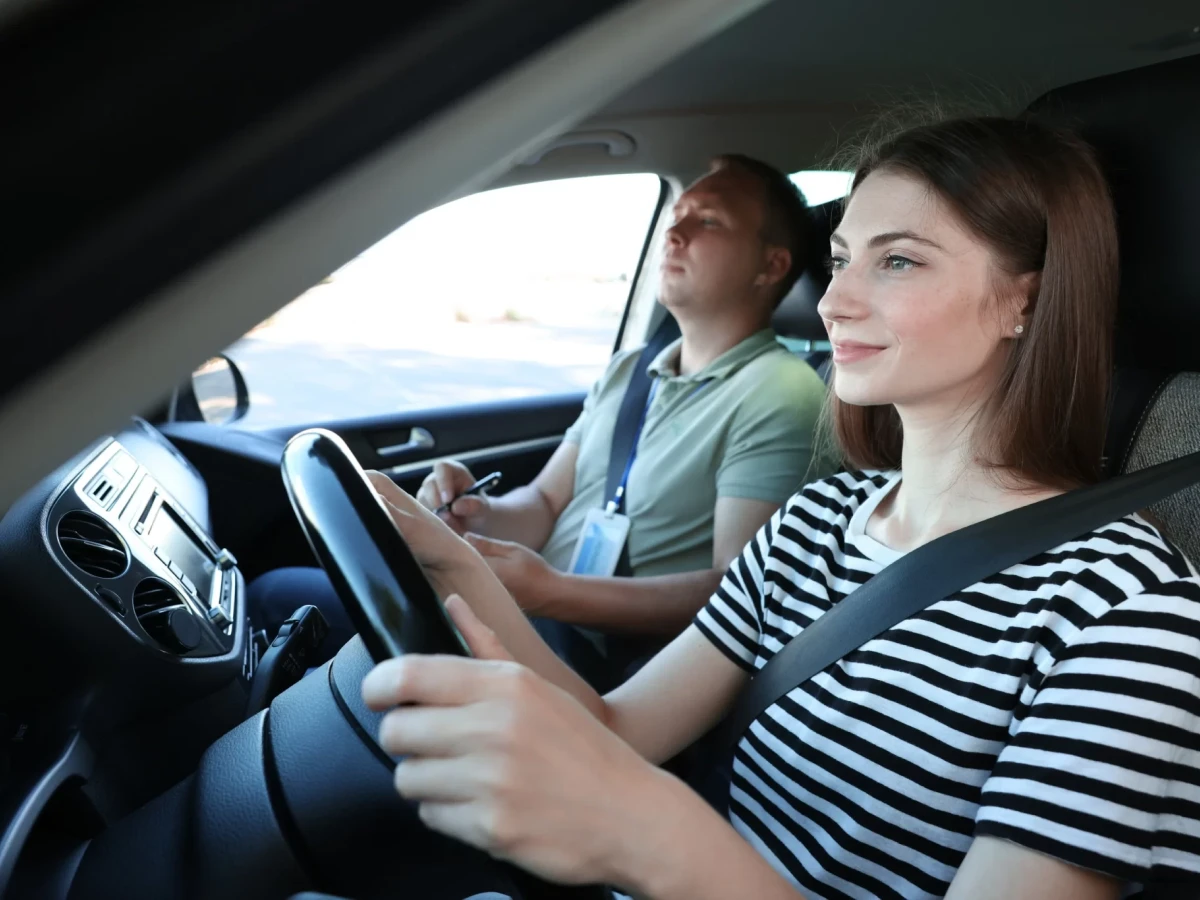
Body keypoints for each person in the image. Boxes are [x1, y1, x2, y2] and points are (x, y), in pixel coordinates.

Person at [359, 116, 1200, 900]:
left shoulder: (1126, 611)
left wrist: (652, 834)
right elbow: (617, 727)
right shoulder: (815, 522)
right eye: (840, 260)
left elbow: (638, 798)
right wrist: (457, 565)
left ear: (1025, 298)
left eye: (898, 261)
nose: (833, 301)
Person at [249, 154, 832, 688]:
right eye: (676, 215)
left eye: (708, 222)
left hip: (607, 665)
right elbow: (546, 504)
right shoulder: (632, 370)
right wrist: (479, 514)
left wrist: (551, 593)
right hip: (532, 616)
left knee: (278, 601)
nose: (673, 233)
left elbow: (732, 591)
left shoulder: (779, 394)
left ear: (770, 266)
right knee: (281, 596)